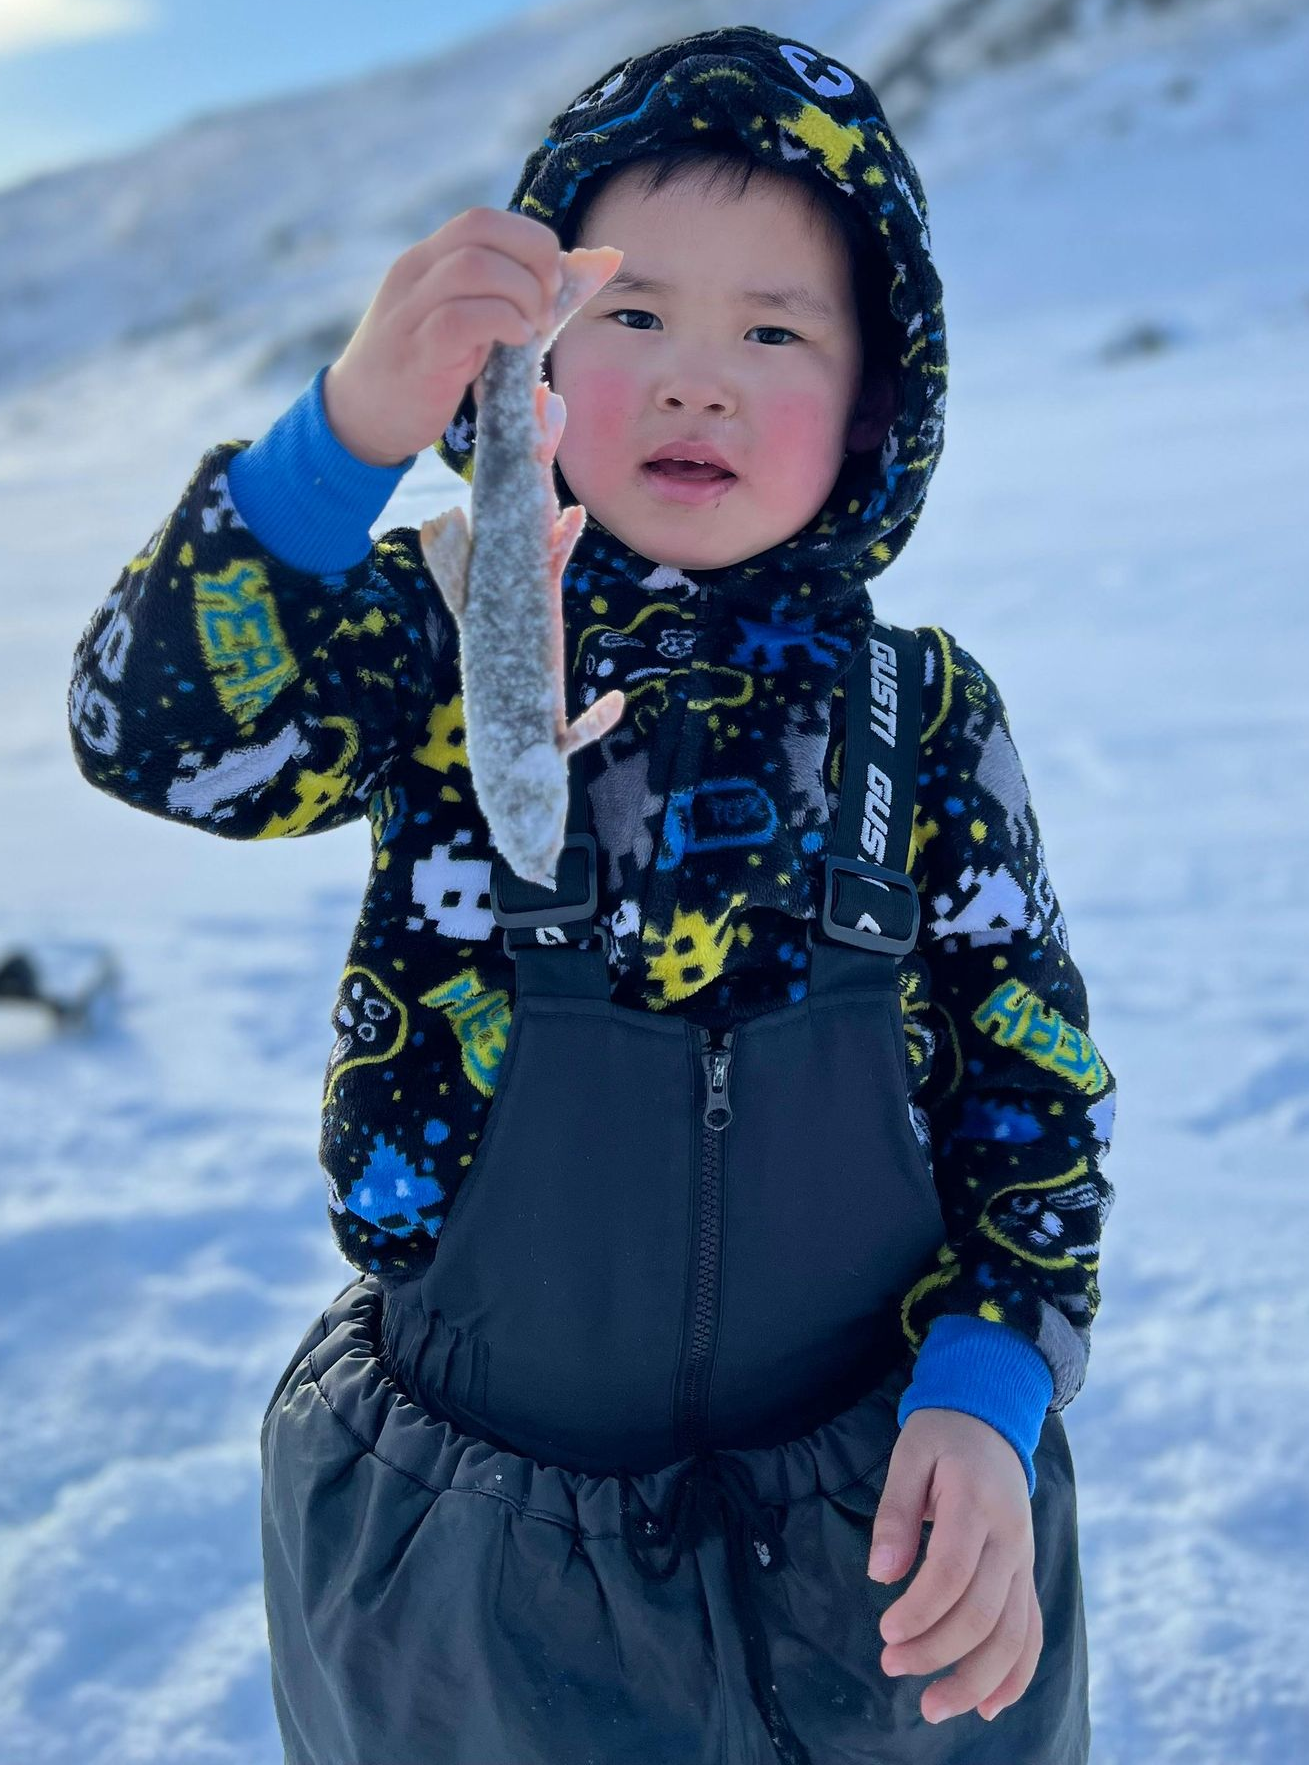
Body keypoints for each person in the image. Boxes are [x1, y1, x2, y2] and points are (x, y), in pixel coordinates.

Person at [67, 23, 1117, 1763]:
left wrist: (993, 1387)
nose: (697, 379)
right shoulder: (435, 626)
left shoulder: (923, 717)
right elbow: (156, 728)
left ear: (873, 406)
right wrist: (340, 439)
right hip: (475, 1559)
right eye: (630, 316)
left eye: (773, 331)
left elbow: (1031, 1093)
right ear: (527, 361)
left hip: (880, 1530)